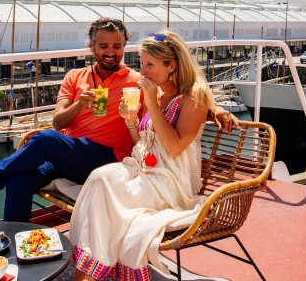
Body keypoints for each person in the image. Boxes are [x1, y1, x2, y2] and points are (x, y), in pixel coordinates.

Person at [0, 17, 239, 222]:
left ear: (124, 47)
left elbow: (182, 94)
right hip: (69, 154)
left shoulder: (138, 79)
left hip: (108, 157)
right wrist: (79, 106)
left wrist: (216, 110)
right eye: (103, 46)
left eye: (117, 46)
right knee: (21, 179)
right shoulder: (74, 77)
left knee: (43, 140)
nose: (110, 52)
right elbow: (57, 122)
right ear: (92, 47)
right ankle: (21, 250)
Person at [70, 30, 215, 280]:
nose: (143, 71)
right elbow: (145, 144)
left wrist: (152, 103)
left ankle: (89, 274)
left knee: (104, 186)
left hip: (172, 182)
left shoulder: (194, 95)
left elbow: (174, 148)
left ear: (172, 65)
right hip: (147, 170)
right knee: (99, 177)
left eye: (150, 64)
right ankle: (92, 269)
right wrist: (130, 122)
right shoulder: (158, 92)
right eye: (141, 63)